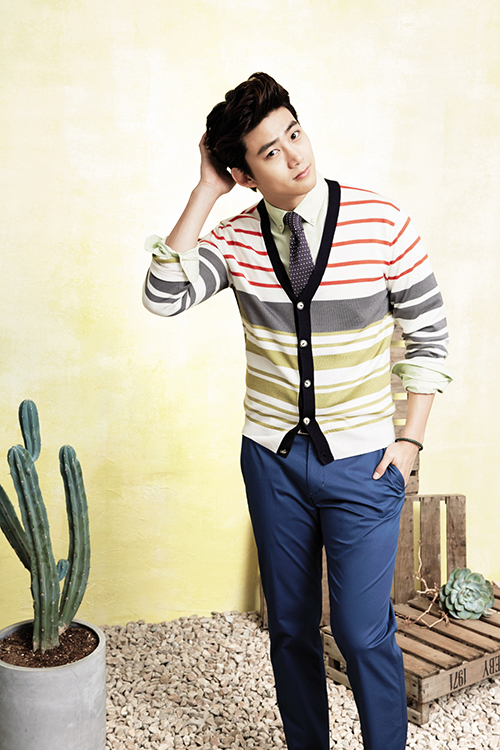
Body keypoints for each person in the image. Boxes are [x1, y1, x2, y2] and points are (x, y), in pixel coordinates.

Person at [142, 73, 451, 750]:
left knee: (362, 632)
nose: (295, 156)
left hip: (366, 464)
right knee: (289, 627)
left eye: (294, 133)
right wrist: (206, 190)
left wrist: (410, 442)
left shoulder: (381, 222)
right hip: (272, 463)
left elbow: (429, 334)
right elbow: (162, 295)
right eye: (270, 152)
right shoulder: (236, 239)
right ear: (245, 173)